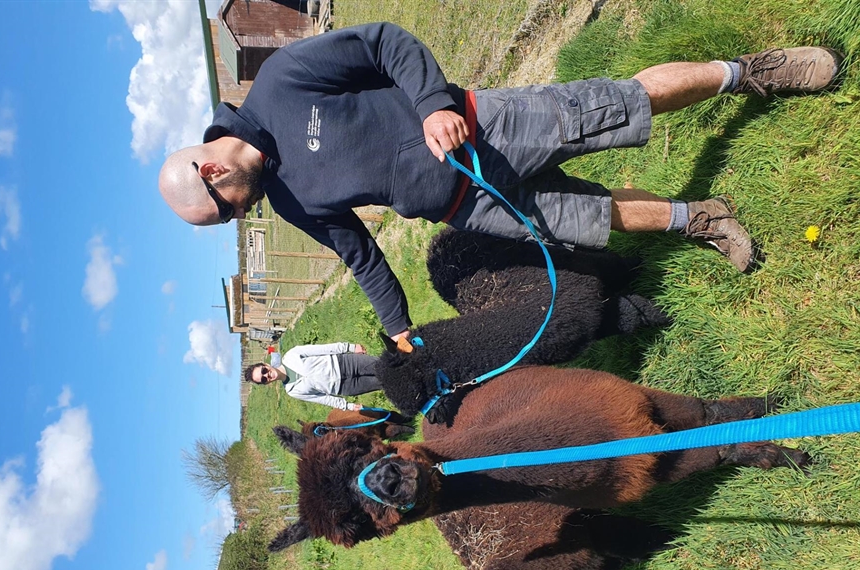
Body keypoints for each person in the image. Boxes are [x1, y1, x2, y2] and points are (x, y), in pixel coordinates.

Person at [159, 23, 841, 343]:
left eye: (223, 215)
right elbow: (359, 256)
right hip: (477, 204)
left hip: (492, 126)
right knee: (591, 218)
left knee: (624, 104)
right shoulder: (287, 199)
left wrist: (432, 106)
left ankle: (750, 70)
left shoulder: (281, 82)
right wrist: (398, 331)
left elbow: (383, 44)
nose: (237, 220)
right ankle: (700, 218)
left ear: (213, 172)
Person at [244, 341, 381, 411]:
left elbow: (322, 349)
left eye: (263, 371)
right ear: (266, 383)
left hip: (345, 363)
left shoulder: (292, 355)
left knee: (384, 365)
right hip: (346, 387)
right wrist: (347, 406)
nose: (267, 375)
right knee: (384, 383)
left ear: (265, 364)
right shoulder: (292, 391)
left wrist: (349, 347)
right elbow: (321, 399)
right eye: (263, 379)